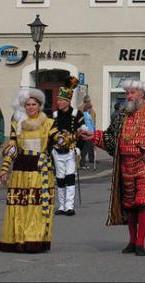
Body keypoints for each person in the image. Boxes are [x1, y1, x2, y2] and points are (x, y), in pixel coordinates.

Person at [81, 79, 145, 257]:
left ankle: (140, 243)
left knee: (143, 202)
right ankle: (132, 241)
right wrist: (92, 135)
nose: (128, 96)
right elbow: (110, 138)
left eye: (132, 93)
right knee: (130, 205)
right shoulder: (122, 115)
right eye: (127, 93)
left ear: (142, 94)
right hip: (125, 166)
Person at [0, 87, 58, 253]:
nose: (31, 107)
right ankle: (17, 240)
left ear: (39, 106)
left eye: (34, 104)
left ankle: (34, 241)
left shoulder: (48, 123)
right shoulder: (17, 124)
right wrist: (4, 169)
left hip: (40, 170)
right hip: (20, 170)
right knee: (19, 207)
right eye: (28, 104)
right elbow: (12, 148)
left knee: (36, 207)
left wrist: (66, 140)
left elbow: (58, 138)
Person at [51, 86, 86, 216]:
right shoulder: (54, 116)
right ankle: (61, 205)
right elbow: (49, 134)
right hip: (57, 151)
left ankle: (69, 206)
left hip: (71, 151)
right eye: (58, 100)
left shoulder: (77, 114)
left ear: (68, 101)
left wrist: (79, 148)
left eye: (62, 100)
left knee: (70, 176)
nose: (59, 103)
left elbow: (82, 133)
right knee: (60, 178)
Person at [80, 98, 96, 169]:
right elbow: (88, 125)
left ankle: (83, 163)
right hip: (88, 134)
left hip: (89, 133)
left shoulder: (87, 115)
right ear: (88, 108)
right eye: (91, 108)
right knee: (85, 150)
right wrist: (91, 132)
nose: (91, 110)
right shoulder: (86, 115)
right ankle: (82, 163)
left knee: (86, 149)